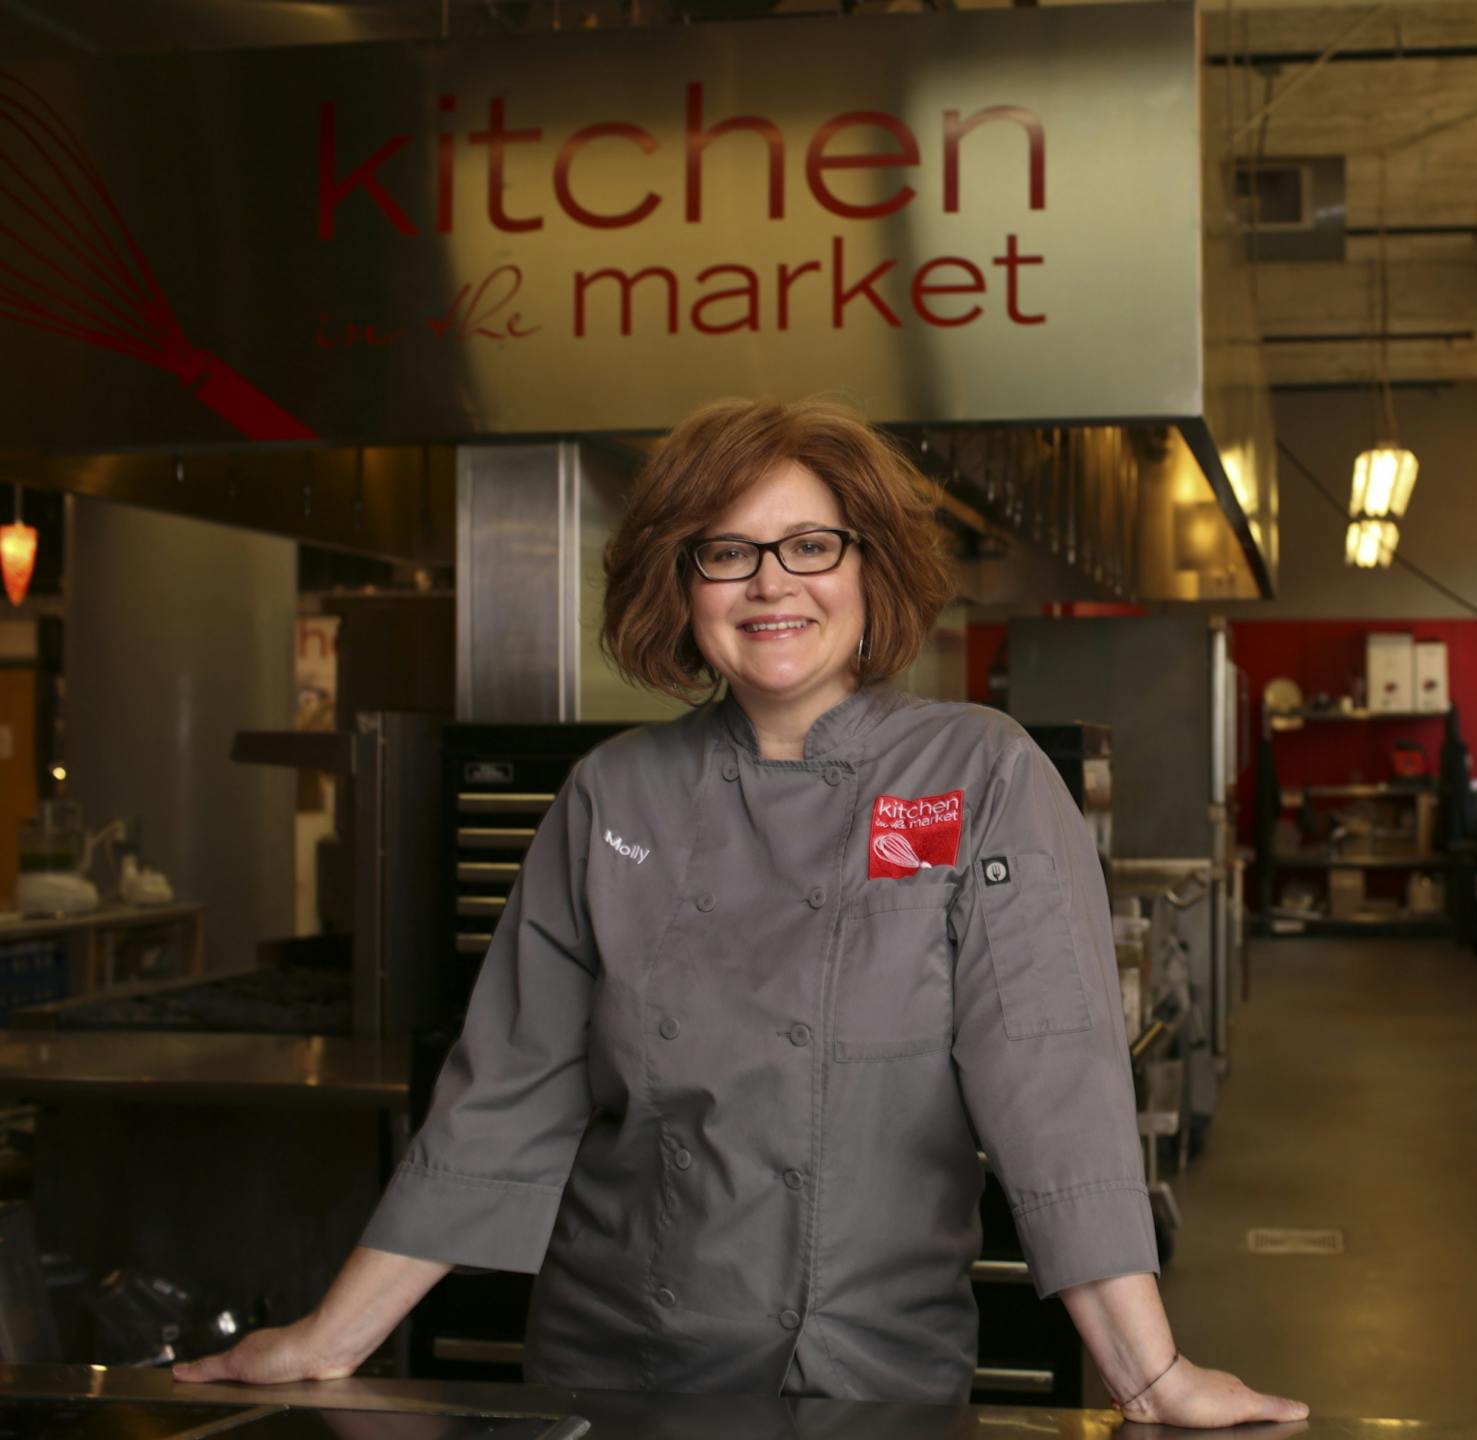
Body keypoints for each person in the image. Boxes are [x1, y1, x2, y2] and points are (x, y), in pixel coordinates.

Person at [175, 399, 1305, 1427]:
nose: (773, 585)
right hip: (618, 1372)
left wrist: (1149, 1375)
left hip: (870, 1381)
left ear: (872, 569)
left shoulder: (980, 773)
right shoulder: (614, 794)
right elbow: (503, 1095)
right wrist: (333, 1340)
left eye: (812, 546)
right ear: (683, 582)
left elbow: (1050, 1083)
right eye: (728, 553)